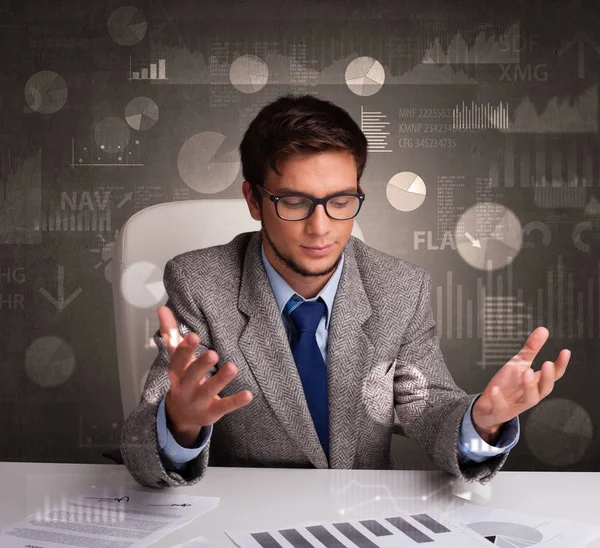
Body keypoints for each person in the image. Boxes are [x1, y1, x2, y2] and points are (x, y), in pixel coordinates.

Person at [120, 94, 570, 489]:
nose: (321, 228)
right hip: (243, 520)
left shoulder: (400, 286)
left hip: (362, 519)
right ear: (254, 200)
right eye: (294, 202)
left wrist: (480, 424)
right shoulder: (199, 283)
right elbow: (140, 448)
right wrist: (177, 424)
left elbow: (426, 405)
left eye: (340, 202)